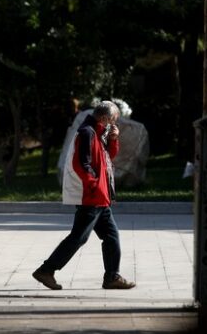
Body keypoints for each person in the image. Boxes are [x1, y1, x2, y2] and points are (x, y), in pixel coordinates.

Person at [32, 100, 136, 290]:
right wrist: (94, 186)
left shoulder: (97, 132)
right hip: (93, 197)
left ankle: (112, 277)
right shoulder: (87, 132)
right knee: (78, 237)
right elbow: (82, 164)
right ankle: (46, 270)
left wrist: (113, 139)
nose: (114, 125)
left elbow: (107, 157)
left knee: (111, 236)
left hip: (101, 198)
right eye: (113, 121)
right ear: (105, 118)